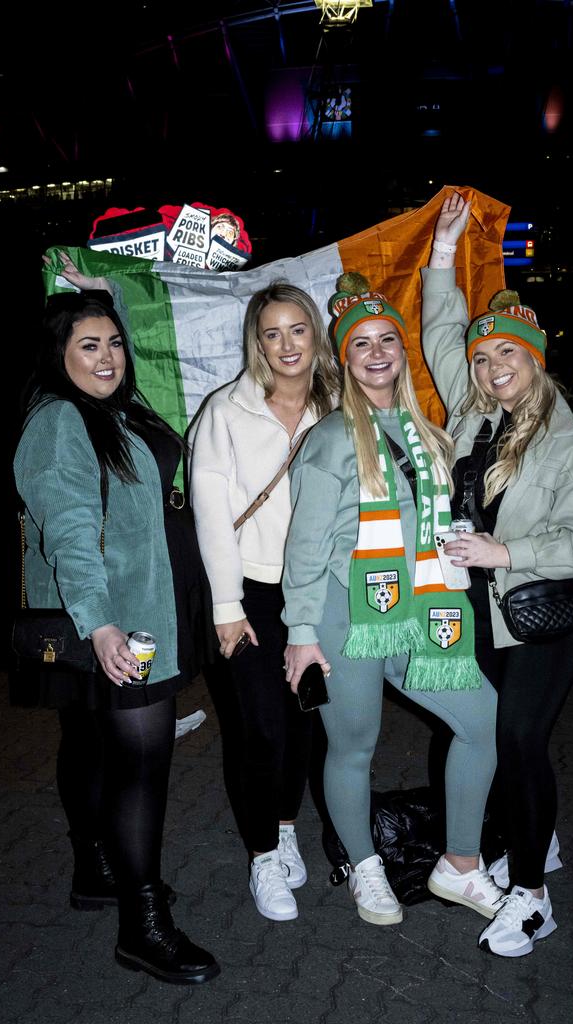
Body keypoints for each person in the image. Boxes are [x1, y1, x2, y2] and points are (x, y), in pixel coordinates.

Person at [422, 192, 573, 956]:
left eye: (507, 354)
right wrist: (442, 249)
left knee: (519, 737)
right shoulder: (473, 413)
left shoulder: (570, 443)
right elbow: (440, 326)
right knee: (492, 734)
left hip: (541, 611)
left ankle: (532, 897)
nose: (492, 366)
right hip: (475, 608)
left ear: (534, 359)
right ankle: (544, 839)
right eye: (482, 357)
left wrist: (507, 554)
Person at [282, 272, 502, 927]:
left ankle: (459, 864)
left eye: (388, 341)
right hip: (344, 618)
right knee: (353, 747)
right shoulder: (327, 441)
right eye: (361, 344)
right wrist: (300, 633)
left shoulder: (427, 432)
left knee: (483, 720)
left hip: (415, 615)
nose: (377, 352)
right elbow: (306, 549)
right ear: (342, 360)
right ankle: (365, 867)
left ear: (402, 353)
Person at [13, 291, 219, 985]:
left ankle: (96, 868)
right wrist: (99, 624)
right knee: (140, 765)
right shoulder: (59, 421)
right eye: (89, 346)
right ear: (58, 356)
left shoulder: (114, 407)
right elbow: (68, 526)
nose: (109, 357)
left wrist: (94, 282)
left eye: (115, 343)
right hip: (116, 620)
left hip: (140, 607)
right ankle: (143, 923)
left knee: (91, 744)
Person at [189, 281, 340, 921]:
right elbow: (210, 514)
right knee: (260, 731)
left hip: (321, 590)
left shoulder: (340, 404)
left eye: (297, 329)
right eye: (271, 332)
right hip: (248, 593)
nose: (285, 344)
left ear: (315, 334)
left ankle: (284, 826)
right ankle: (261, 856)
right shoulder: (226, 409)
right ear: (256, 340)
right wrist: (227, 606)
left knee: (304, 722)